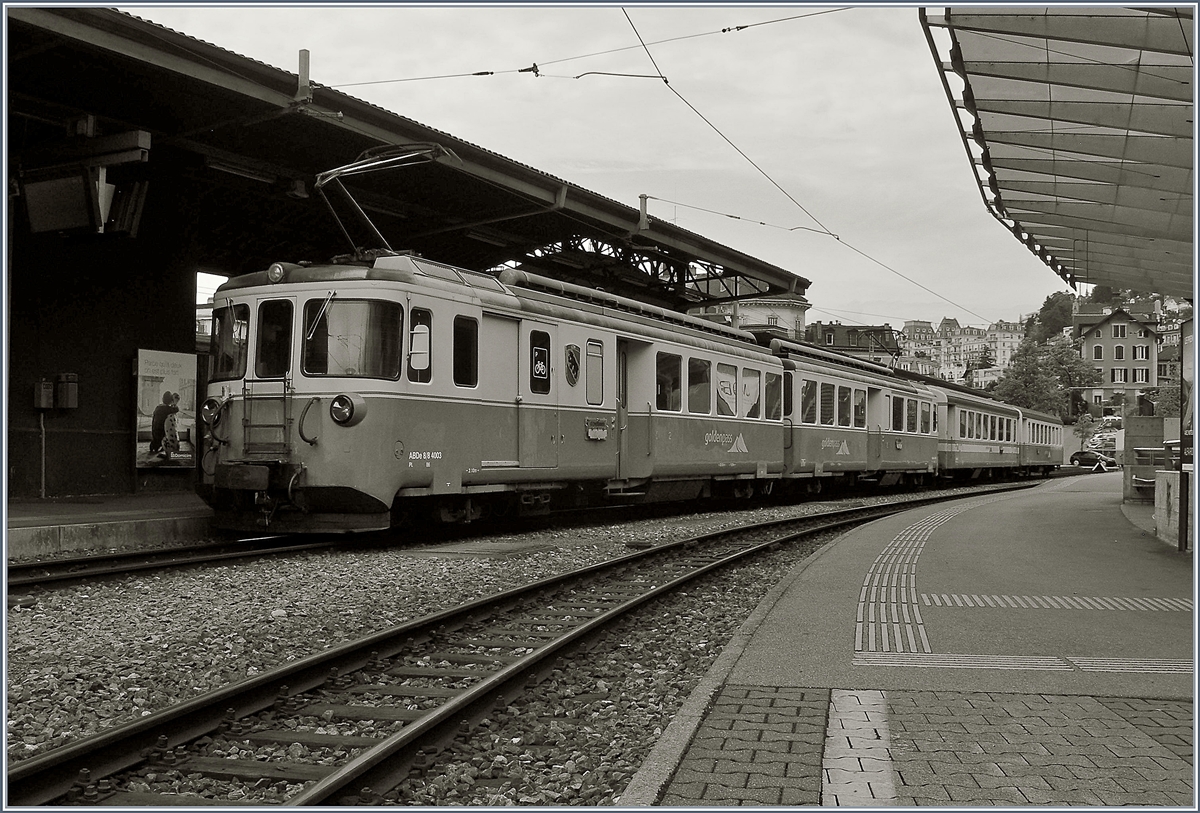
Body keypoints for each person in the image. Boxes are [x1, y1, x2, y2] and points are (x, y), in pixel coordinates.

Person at [161, 392, 182, 460]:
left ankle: (168, 454)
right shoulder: (173, 410)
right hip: (176, 444)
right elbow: (176, 409)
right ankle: (173, 450)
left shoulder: (166, 409)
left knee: (164, 440)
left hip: (170, 443)